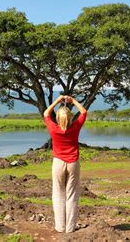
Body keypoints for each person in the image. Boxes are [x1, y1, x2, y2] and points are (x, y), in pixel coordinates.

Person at [43, 95, 87, 233]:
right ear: (70, 118)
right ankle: (70, 228)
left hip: (58, 163)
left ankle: (60, 227)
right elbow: (84, 112)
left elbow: (46, 113)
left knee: (58, 194)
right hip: (73, 162)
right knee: (71, 194)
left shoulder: (54, 129)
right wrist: (72, 101)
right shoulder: (75, 127)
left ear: (58, 118)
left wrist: (58, 100)